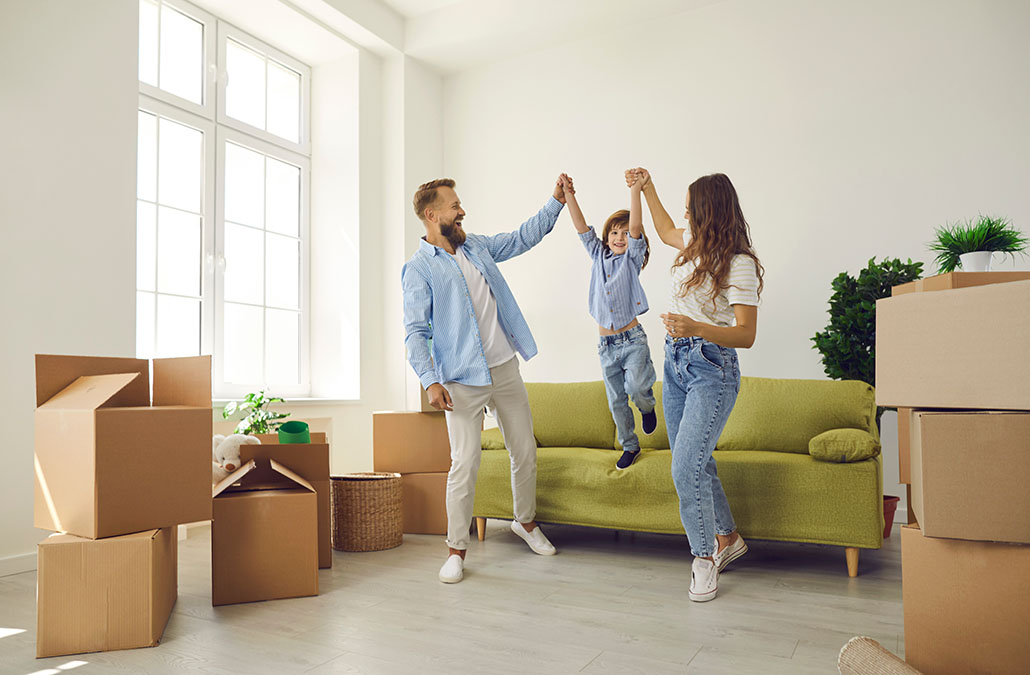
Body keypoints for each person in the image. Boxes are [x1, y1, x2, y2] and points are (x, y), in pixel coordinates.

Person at [402, 176, 567, 584]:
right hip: (460, 380)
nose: (462, 211)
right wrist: (429, 380)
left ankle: (524, 523)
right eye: (455, 205)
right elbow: (414, 332)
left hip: (505, 368)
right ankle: (456, 550)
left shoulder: (475, 246)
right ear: (431, 214)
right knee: (465, 463)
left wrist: (555, 203)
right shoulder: (419, 269)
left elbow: (520, 238)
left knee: (524, 450)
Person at [627, 167, 764, 602]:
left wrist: (695, 327)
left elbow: (746, 335)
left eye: (690, 207)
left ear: (708, 210)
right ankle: (728, 538)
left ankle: (703, 559)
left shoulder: (738, 263)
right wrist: (646, 188)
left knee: (684, 467)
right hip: (676, 363)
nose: (684, 213)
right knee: (698, 461)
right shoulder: (693, 246)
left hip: (712, 369)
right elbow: (664, 227)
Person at [562, 174, 657, 470]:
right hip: (606, 346)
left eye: (625, 233)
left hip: (632, 342)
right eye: (615, 233)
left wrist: (635, 191)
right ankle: (631, 445)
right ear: (606, 237)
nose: (620, 237)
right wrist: (568, 195)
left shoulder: (632, 260)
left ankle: (647, 406)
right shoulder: (597, 256)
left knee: (638, 387)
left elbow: (637, 227)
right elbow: (580, 226)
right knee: (616, 400)